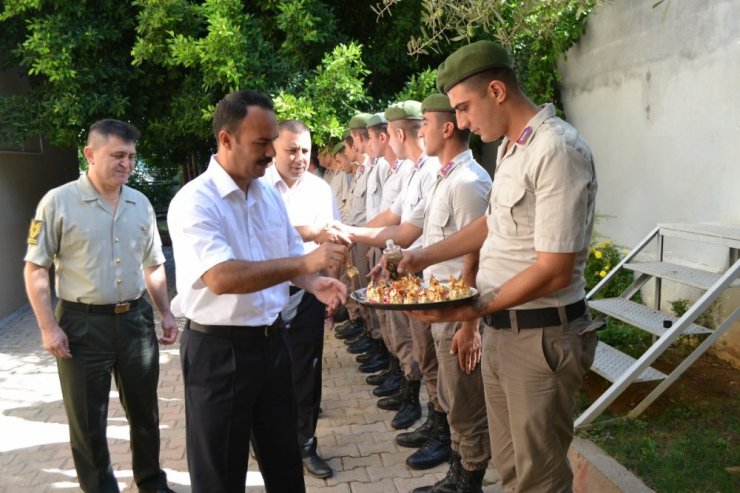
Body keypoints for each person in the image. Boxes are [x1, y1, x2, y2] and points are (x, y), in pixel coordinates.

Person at [401, 41, 600, 492]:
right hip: (504, 332)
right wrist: (422, 256)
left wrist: (469, 308)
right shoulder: (513, 148)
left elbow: (555, 269)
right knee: (512, 472)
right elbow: (491, 225)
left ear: (495, 91)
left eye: (465, 108)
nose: (463, 122)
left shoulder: (556, 149)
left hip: (540, 338)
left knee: (539, 479)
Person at [167, 90, 347, 493]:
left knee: (284, 462)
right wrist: (306, 264)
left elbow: (282, 256)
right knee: (221, 475)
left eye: (272, 141)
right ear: (226, 139)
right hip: (218, 353)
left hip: (272, 344)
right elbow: (222, 278)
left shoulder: (266, 193)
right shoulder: (195, 202)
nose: (270, 153)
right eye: (261, 143)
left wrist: (313, 284)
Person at [23, 119, 178, 493]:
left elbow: (153, 265)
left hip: (135, 322)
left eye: (131, 156)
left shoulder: (139, 203)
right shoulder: (57, 202)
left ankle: (151, 482)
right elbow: (35, 267)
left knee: (145, 413)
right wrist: (48, 326)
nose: (127, 163)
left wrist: (166, 311)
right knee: (88, 422)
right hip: (81, 325)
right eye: (118, 155)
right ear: (90, 154)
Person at [408, 94, 492, 492]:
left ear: (445, 129)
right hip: (440, 310)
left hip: (458, 313)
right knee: (453, 398)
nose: (419, 131)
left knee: (466, 403)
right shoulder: (445, 178)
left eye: (424, 123)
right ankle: (457, 473)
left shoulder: (468, 182)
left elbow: (476, 256)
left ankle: (468, 478)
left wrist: (469, 324)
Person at [263, 119, 342, 478]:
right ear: (274, 149)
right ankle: (265, 443)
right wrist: (310, 230)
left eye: (305, 151)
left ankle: (306, 445)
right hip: (263, 292)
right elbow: (265, 235)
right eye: (291, 150)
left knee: (307, 371)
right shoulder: (258, 186)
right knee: (265, 373)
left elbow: (333, 242)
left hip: (308, 291)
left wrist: (331, 289)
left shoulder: (319, 189)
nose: (299, 158)